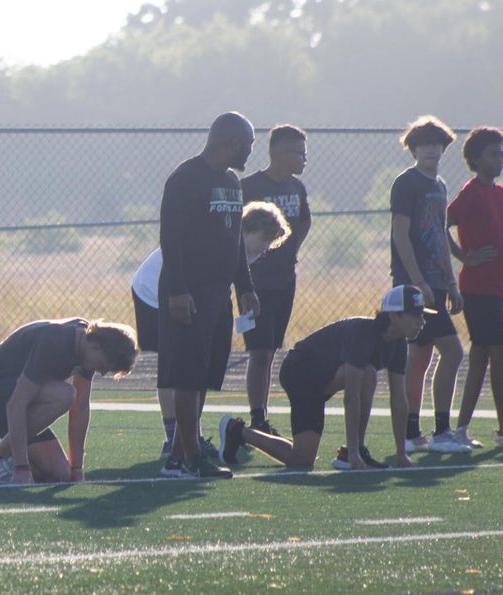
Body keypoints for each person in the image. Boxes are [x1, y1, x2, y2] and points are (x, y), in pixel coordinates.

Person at [131, 202, 291, 463]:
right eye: (264, 239)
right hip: (154, 290)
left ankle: (187, 437)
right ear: (247, 229)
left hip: (185, 290)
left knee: (194, 364)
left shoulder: (239, 248)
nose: (265, 249)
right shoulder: (225, 240)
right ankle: (174, 437)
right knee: (173, 364)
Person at [218, 286, 426, 470]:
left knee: (301, 459)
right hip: (299, 371)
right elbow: (351, 397)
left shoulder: (398, 343)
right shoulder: (364, 336)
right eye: (415, 316)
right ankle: (354, 451)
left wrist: (401, 455)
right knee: (367, 374)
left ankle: (237, 431)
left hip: (322, 380)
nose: (421, 322)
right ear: (393, 316)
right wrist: (353, 453)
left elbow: (399, 399)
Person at [157, 112, 259, 479]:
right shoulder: (186, 179)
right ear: (231, 142)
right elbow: (172, 240)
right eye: (247, 144)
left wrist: (244, 286)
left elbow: (235, 242)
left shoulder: (233, 182)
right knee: (187, 375)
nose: (249, 152)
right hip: (190, 293)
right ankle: (188, 457)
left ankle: (183, 454)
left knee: (202, 375)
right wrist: (178, 292)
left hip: (219, 295)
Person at [0, 318, 137, 484]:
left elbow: (80, 407)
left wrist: (76, 470)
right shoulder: (56, 340)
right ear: (97, 346)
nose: (102, 372)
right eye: (103, 366)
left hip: (14, 395)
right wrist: (21, 468)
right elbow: (16, 404)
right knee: (64, 395)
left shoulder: (88, 345)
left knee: (59, 474)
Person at [389, 116, 469, 454]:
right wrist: (418, 281)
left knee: (420, 357)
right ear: (413, 148)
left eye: (437, 144)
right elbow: (401, 234)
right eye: (424, 144)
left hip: (438, 281)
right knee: (453, 351)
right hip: (416, 283)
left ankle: (412, 433)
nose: (431, 150)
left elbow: (439, 234)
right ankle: (440, 431)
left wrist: (451, 282)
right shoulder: (406, 183)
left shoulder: (440, 185)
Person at [241, 125, 312, 435]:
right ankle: (257, 418)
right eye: (297, 153)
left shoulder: (297, 188)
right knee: (258, 352)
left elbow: (305, 220)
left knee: (270, 351)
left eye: (304, 153)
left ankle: (263, 416)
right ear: (279, 154)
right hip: (255, 282)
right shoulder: (250, 186)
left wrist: (292, 248)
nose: (303, 159)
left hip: (285, 280)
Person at [446, 126, 503, 449]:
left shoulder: (499, 193)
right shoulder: (471, 192)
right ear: (475, 159)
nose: (500, 160)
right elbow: (440, 223)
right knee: (497, 354)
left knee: (481, 356)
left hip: (498, 287)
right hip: (480, 289)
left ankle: (461, 429)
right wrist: (465, 256)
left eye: (502, 154)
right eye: (493, 154)